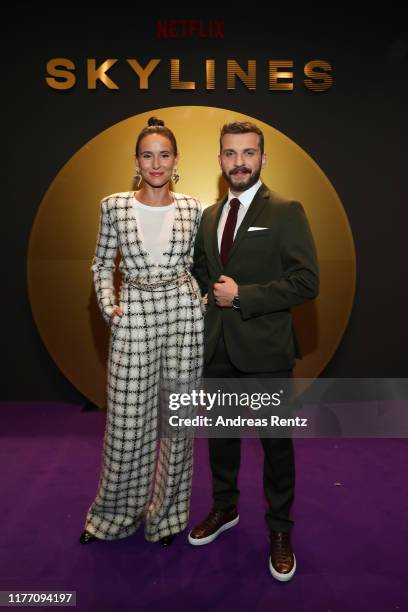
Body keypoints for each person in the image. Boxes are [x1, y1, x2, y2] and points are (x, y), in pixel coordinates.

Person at [190, 121, 319, 580]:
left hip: (265, 352)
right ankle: (225, 509)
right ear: (220, 159)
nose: (238, 162)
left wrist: (243, 296)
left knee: (275, 447)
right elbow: (205, 272)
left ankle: (280, 529)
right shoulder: (208, 215)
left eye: (248, 153)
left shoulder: (286, 210)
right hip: (217, 349)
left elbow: (307, 282)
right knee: (221, 440)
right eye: (230, 153)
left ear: (263, 159)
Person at [80, 117, 204, 547]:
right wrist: (108, 305)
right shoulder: (113, 205)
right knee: (127, 424)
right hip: (133, 312)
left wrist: (202, 301)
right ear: (136, 161)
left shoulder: (193, 207)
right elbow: (100, 264)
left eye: (164, 155)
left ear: (175, 160)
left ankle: (167, 518)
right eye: (148, 155)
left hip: (183, 315)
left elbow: (201, 264)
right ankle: (113, 516)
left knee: (178, 421)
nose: (156, 163)